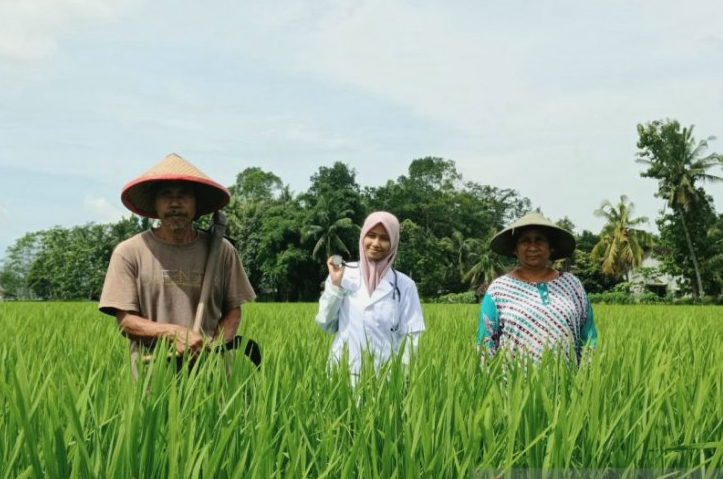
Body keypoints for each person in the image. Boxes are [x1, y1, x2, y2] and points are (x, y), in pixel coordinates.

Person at [99, 153, 256, 376]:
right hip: (152, 376)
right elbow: (126, 322)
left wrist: (210, 346)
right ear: (154, 203)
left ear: (196, 202)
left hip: (212, 376)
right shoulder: (129, 252)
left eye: (183, 194)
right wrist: (173, 333)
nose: (175, 202)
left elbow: (233, 312)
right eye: (165, 195)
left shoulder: (222, 251)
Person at [315, 211, 425, 378]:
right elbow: (326, 324)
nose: (376, 243)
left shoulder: (404, 285)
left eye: (384, 238)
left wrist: (401, 377)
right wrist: (336, 286)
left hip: (385, 377)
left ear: (394, 242)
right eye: (371, 235)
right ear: (362, 237)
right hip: (343, 373)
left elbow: (411, 337)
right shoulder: (343, 274)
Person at [477, 212, 597, 364]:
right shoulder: (499, 289)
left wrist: (587, 379)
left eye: (539, 239)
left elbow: (589, 338)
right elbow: (485, 345)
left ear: (551, 247)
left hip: (568, 384)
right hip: (513, 386)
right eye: (525, 240)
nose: (532, 246)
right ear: (515, 249)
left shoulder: (573, 285)